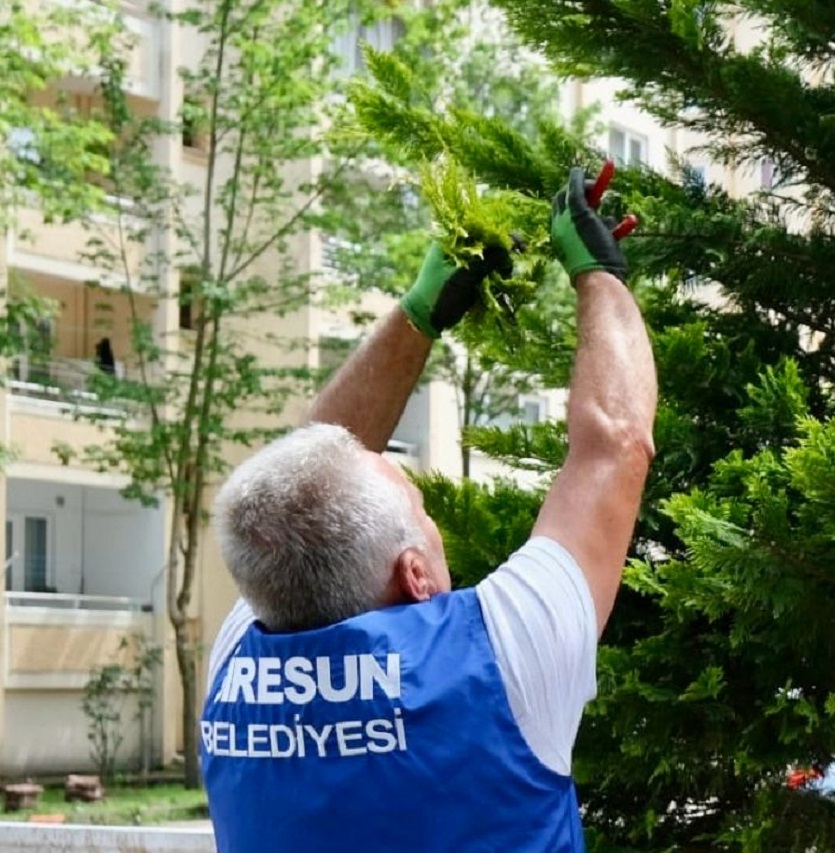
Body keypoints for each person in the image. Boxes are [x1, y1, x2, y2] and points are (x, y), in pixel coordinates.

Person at [200, 165, 656, 852]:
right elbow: (615, 441)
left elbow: (301, 475)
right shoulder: (498, 665)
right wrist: (601, 273)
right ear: (414, 573)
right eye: (422, 507)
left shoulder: (238, 665)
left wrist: (416, 315)